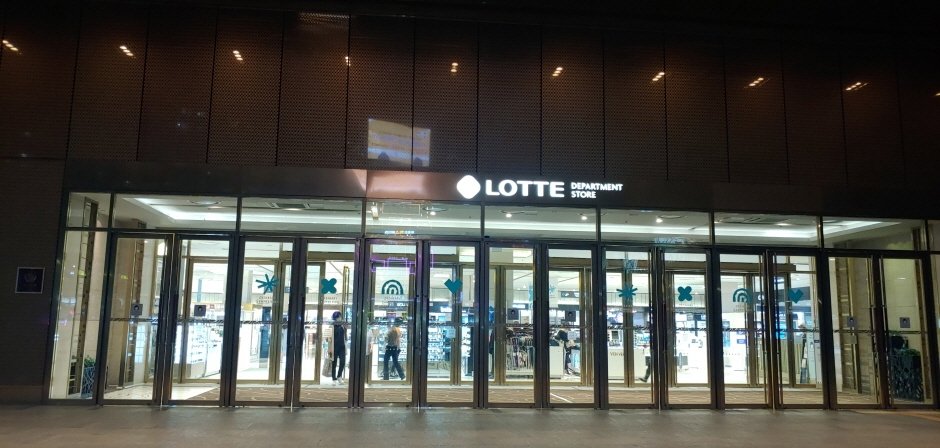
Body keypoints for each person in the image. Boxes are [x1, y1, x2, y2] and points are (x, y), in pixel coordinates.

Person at [330, 311, 347, 385]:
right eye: (338, 317)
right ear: (335, 318)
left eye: (340, 317)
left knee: (342, 362)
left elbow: (345, 336)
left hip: (342, 347)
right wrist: (329, 348)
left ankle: (339, 376)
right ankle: (334, 379)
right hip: (334, 347)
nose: (340, 318)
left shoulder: (342, 325)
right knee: (334, 363)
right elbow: (328, 338)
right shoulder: (332, 326)